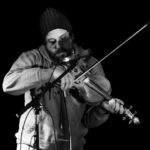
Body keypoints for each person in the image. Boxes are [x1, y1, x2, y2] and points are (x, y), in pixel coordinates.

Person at [2, 8, 124, 150]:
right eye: (52, 42)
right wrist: (50, 73)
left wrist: (103, 110)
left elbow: (86, 122)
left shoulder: (89, 64)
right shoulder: (32, 57)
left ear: (72, 37)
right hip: (34, 145)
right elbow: (8, 84)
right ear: (45, 42)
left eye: (63, 39)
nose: (58, 46)